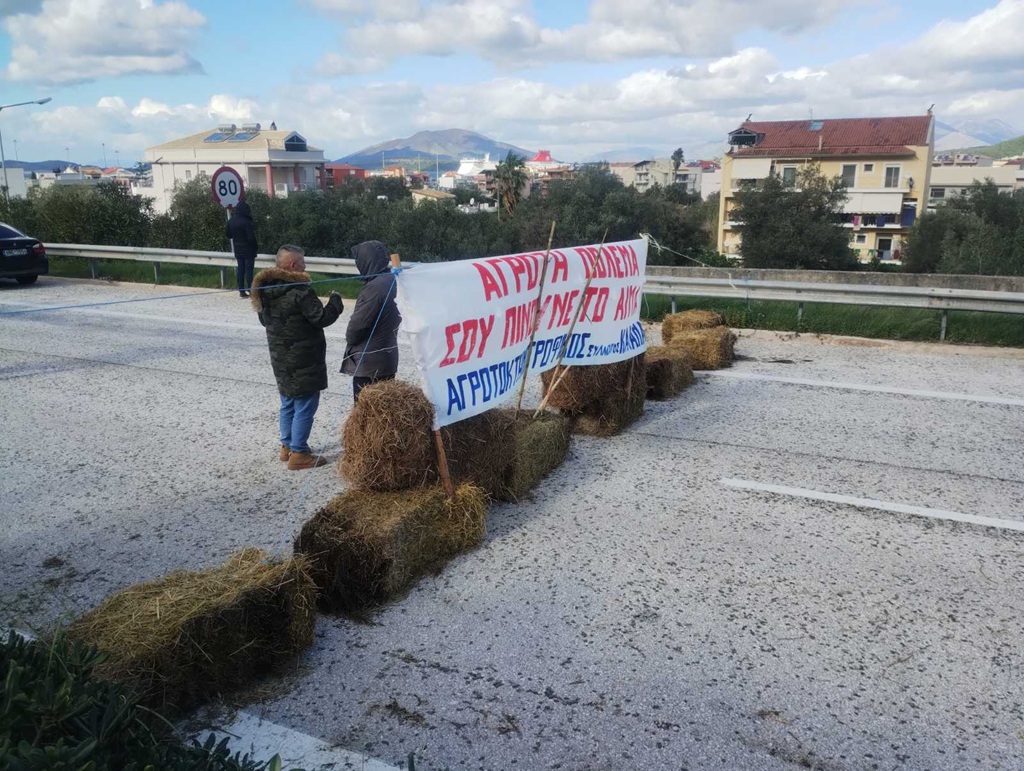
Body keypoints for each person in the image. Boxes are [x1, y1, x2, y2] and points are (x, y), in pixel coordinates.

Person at [252, 245, 343, 470]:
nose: (305, 266)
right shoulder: (300, 291)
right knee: (305, 404)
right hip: (304, 358)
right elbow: (320, 318)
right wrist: (335, 303)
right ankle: (299, 453)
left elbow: (264, 321)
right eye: (303, 262)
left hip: (280, 358)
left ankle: (287, 446)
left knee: (288, 401)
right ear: (293, 265)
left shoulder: (264, 290)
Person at [341, 240, 402, 400]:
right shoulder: (394, 280)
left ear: (365, 261)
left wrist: (350, 338)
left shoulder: (373, 288)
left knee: (365, 414)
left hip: (369, 363)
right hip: (388, 358)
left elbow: (356, 329)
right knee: (383, 411)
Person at [226, 199, 258, 298]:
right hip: (248, 249)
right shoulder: (247, 221)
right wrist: (255, 246)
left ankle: (241, 290)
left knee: (241, 269)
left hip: (238, 248)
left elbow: (228, 235)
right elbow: (250, 237)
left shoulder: (231, 221)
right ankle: (251, 290)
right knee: (249, 270)